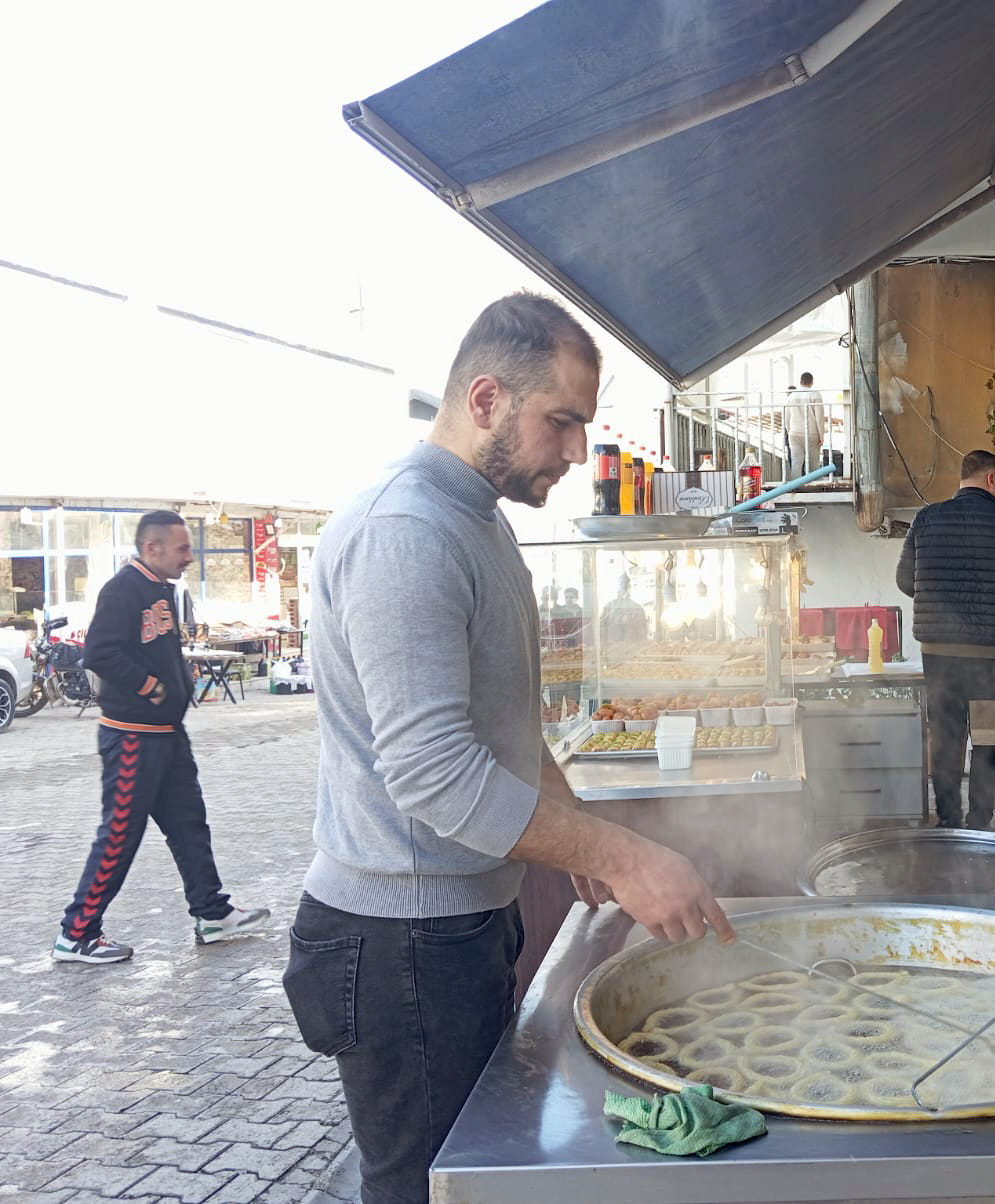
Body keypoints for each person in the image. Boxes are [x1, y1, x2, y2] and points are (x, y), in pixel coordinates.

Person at [283, 292, 734, 1204]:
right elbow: (435, 775)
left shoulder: (477, 521)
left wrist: (579, 835)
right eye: (560, 421)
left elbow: (506, 727)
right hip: (402, 943)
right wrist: (626, 856)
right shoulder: (406, 532)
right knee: (429, 1190)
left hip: (457, 927)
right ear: (486, 399)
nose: (577, 450)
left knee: (486, 1176)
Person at [53, 510, 270, 964]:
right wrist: (151, 686)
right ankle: (77, 934)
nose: (189, 557)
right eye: (182, 548)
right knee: (120, 834)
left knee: (189, 824)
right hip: (133, 736)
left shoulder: (161, 588)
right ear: (152, 548)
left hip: (167, 734)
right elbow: (100, 653)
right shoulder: (123, 590)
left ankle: (212, 913)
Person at [896, 449, 995, 829]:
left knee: (946, 736)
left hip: (939, 650)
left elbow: (905, 580)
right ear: (992, 479)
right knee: (990, 735)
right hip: (993, 652)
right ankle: (980, 820)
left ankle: (948, 820)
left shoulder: (926, 519)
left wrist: (939, 601)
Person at [784, 371, 824, 478]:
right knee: (813, 466)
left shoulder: (792, 396)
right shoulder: (815, 394)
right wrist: (821, 435)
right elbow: (819, 418)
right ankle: (814, 486)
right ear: (811, 382)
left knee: (796, 463)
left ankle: (796, 486)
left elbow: (786, 418)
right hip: (812, 434)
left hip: (794, 434)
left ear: (800, 382)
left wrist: (790, 431)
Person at [599, 577, 648, 643]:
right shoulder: (609, 607)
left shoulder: (637, 608)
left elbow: (643, 634)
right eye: (621, 585)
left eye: (625, 585)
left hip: (632, 646)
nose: (623, 589)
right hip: (612, 646)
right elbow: (601, 631)